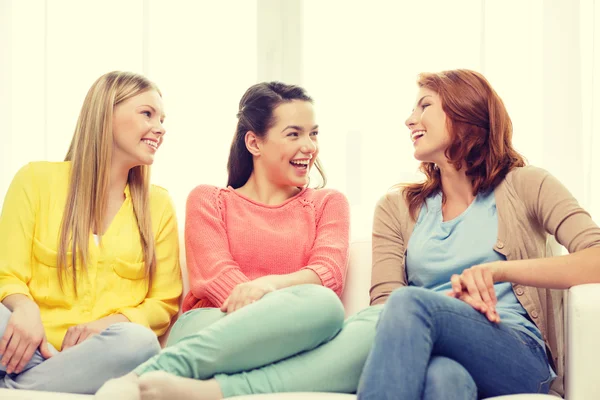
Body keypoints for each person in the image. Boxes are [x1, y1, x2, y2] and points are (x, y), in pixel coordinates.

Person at [96, 81, 373, 400]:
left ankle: (209, 391)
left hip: (298, 327)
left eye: (314, 134)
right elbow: (217, 278)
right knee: (321, 306)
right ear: (254, 143)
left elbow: (328, 275)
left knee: (376, 325)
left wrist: (267, 286)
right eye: (294, 134)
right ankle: (143, 376)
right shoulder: (209, 200)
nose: (309, 146)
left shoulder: (328, 203)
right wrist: (281, 322)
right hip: (215, 326)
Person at [357, 69, 600, 399]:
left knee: (410, 304)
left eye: (424, 106)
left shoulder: (527, 184)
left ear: (463, 112)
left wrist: (496, 271)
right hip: (436, 351)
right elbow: (384, 310)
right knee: (444, 381)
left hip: (516, 351)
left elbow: (596, 259)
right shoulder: (395, 208)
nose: (409, 120)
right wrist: (450, 304)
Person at [0, 71, 182, 394]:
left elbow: (163, 302)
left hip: (98, 355)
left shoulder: (159, 205)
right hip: (26, 347)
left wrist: (105, 326)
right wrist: (25, 309)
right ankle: (44, 382)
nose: (161, 128)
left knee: (140, 342)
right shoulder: (34, 180)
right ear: (105, 113)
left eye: (162, 118)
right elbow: (6, 272)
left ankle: (20, 390)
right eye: (147, 114)